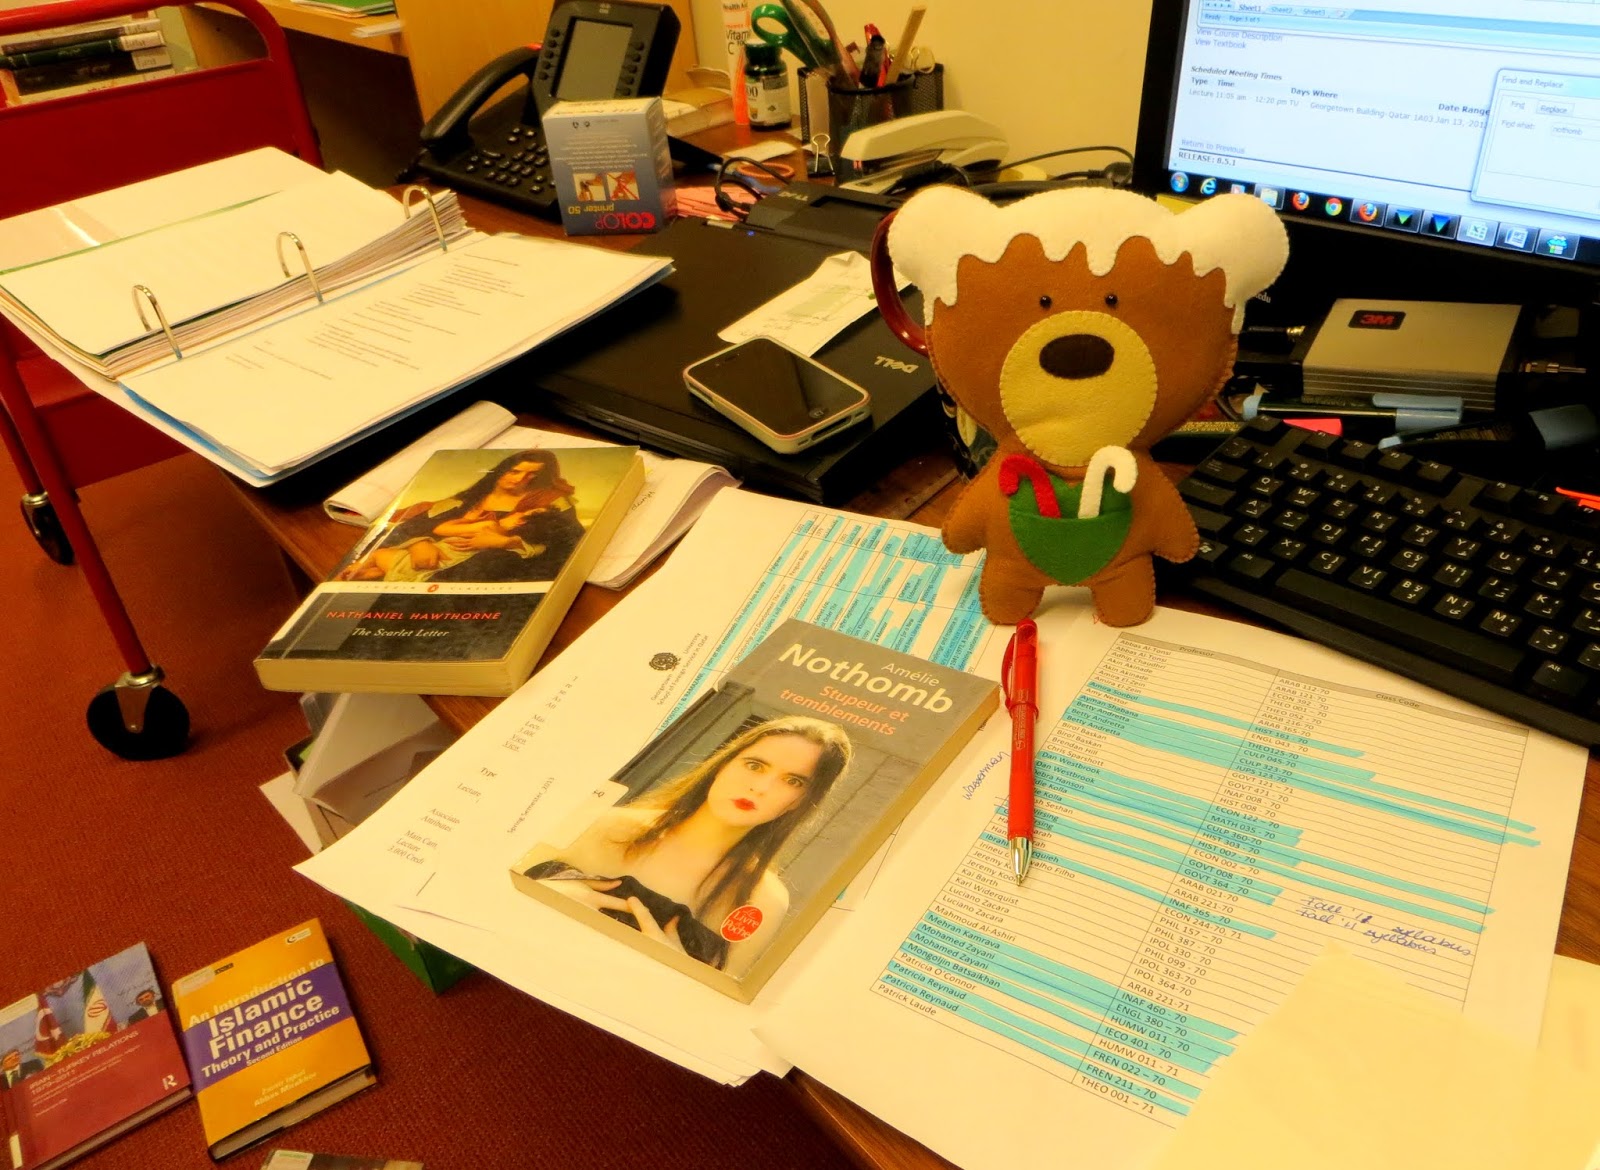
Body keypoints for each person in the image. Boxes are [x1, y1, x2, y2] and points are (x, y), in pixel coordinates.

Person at [523, 715, 853, 978]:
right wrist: (548, 893)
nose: (761, 787)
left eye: (793, 781)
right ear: (723, 764)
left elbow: (713, 1009)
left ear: (803, 801)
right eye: (755, 765)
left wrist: (675, 973)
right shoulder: (604, 825)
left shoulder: (763, 900)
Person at [340, 449, 584, 583]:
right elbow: (411, 528)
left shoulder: (547, 504)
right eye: (515, 471)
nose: (521, 479)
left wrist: (504, 544)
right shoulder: (462, 503)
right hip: (420, 566)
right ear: (500, 470)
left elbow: (566, 549)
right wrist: (419, 543)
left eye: (531, 475)